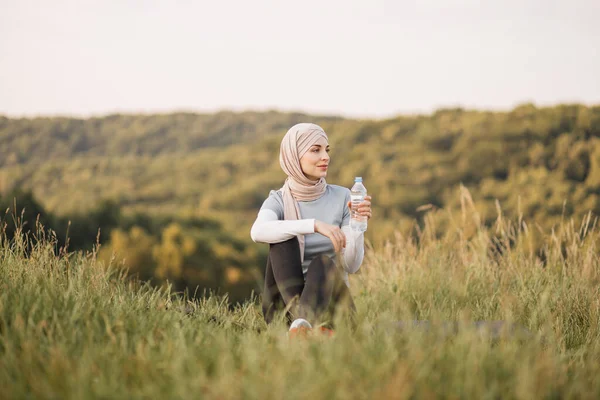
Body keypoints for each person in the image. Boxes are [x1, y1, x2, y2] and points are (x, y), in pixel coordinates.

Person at [250, 123, 372, 334]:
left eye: (327, 149)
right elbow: (257, 232)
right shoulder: (278, 200)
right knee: (282, 235)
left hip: (333, 309)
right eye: (316, 150)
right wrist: (313, 225)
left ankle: (303, 327)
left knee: (323, 263)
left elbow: (351, 266)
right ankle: (300, 325)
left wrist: (357, 226)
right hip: (287, 306)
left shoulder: (344, 197)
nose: (325, 156)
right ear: (294, 156)